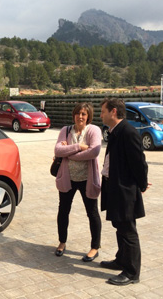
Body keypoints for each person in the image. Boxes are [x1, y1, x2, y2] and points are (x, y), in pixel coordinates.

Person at [99, 98, 148, 286]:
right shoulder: (115, 132)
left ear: (113, 112)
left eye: (103, 111)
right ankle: (121, 260)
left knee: (128, 230)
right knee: (119, 226)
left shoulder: (128, 132)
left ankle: (132, 272)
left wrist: (141, 186)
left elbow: (139, 163)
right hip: (114, 188)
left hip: (124, 190)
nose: (101, 114)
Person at [53, 102, 102, 262]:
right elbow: (58, 150)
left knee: (92, 213)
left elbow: (94, 151)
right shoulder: (65, 130)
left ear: (88, 116)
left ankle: (95, 247)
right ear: (73, 114)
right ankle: (62, 242)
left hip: (87, 179)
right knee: (63, 211)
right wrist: (79, 147)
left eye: (84, 114)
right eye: (78, 113)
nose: (80, 116)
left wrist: (70, 152)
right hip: (68, 178)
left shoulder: (93, 130)